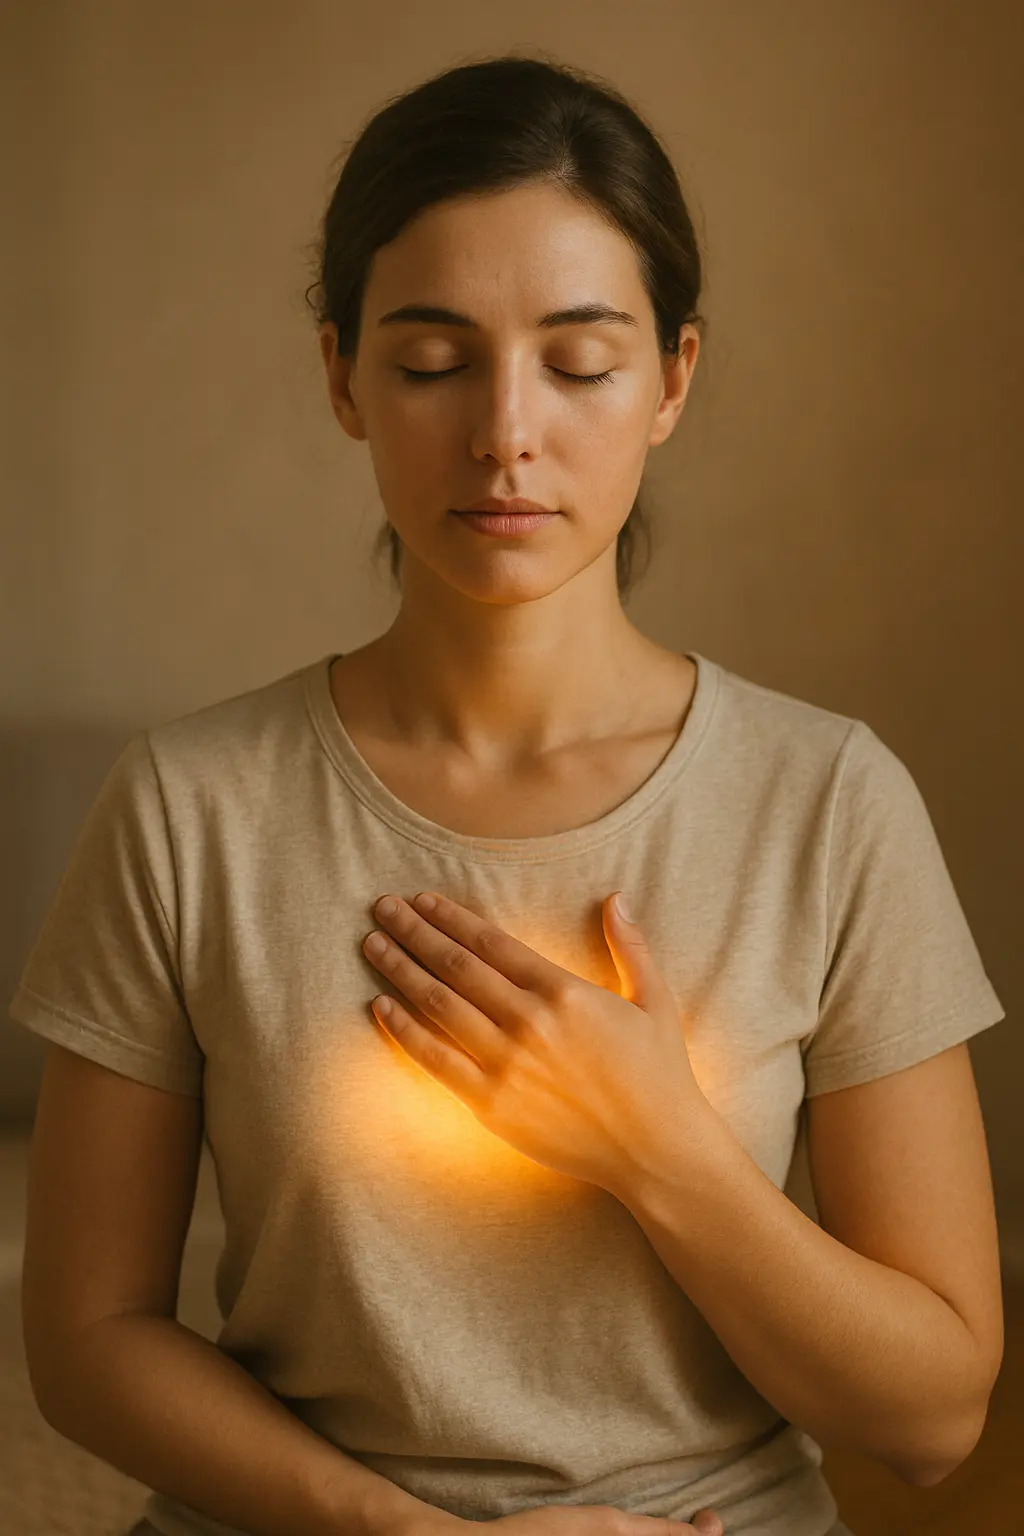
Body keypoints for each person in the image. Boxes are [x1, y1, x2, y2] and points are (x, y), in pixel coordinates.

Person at [10, 51, 1003, 1536]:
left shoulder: (829, 801)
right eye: (431, 362)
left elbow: (932, 1418)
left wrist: (659, 1147)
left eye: (581, 361)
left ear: (673, 377)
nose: (505, 433)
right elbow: (85, 1344)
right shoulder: (187, 807)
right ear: (342, 374)